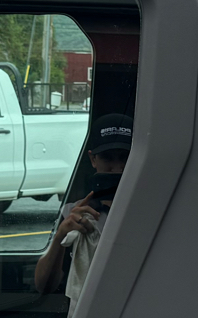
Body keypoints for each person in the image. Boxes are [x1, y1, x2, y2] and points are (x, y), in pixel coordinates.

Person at [34, 117, 131, 307]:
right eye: (107, 158)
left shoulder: (154, 209)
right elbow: (44, 286)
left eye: (125, 157)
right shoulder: (74, 214)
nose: (117, 167)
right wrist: (61, 236)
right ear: (93, 159)